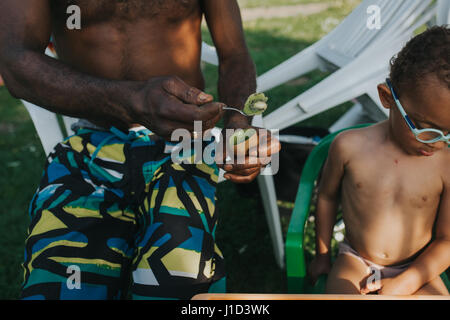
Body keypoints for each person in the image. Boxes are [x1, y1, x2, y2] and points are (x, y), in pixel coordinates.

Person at [0, 0, 280, 300]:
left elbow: (235, 54)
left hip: (184, 146)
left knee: (179, 284)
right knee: (63, 289)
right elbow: (15, 61)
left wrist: (237, 125)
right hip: (90, 147)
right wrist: (131, 100)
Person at [308, 26, 449, 295]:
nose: (438, 142)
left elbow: (447, 240)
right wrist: (323, 256)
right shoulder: (349, 147)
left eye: (448, 132)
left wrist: (405, 283)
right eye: (425, 128)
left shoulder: (445, 165)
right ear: (387, 98)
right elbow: (326, 197)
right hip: (356, 261)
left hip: (417, 268)